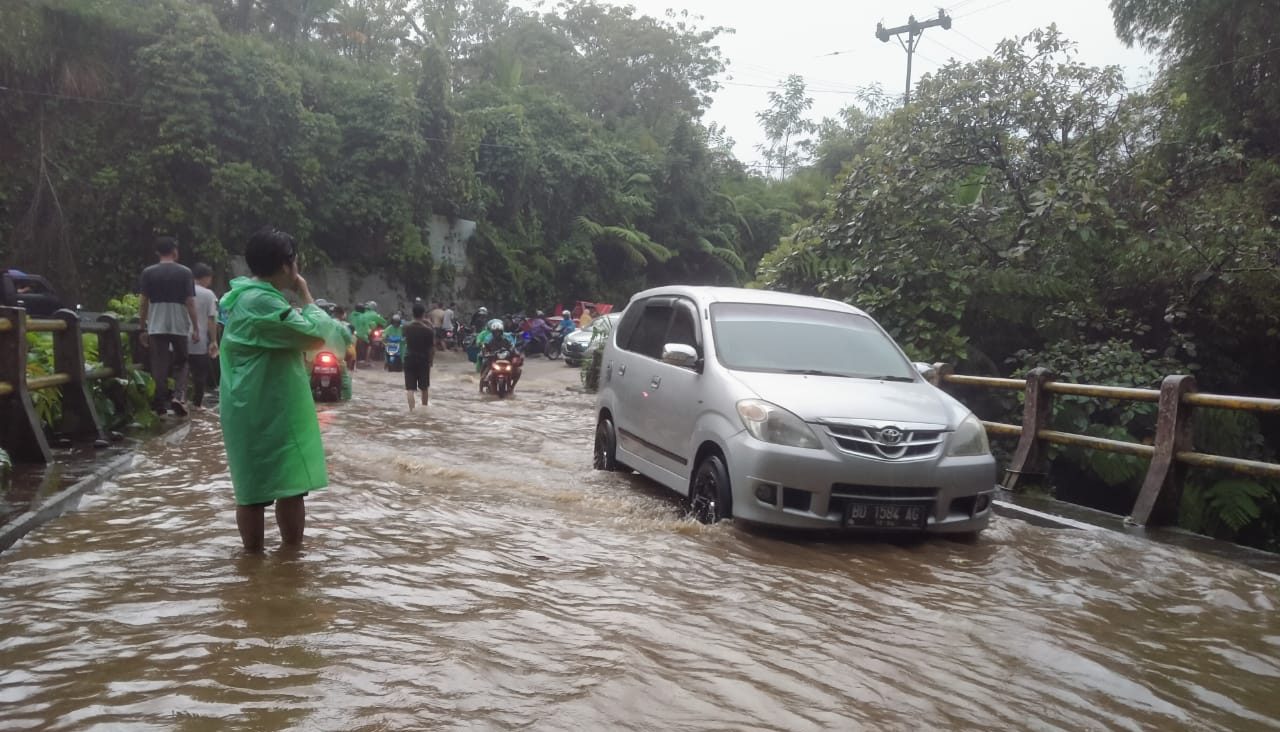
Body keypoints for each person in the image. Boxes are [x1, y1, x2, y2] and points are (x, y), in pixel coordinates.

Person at [218, 226, 348, 552]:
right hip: (268, 407)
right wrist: (306, 295)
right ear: (286, 264)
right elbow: (319, 336)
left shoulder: (247, 297)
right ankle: (288, 565)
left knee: (257, 489)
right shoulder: (263, 302)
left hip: (254, 404)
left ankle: (256, 574)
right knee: (282, 488)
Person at [139, 236, 200, 417]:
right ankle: (178, 396)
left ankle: (159, 405)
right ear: (174, 251)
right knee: (182, 362)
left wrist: (142, 328)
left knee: (159, 365)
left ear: (158, 252)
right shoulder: (185, 272)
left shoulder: (148, 272)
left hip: (156, 324)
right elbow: (189, 302)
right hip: (179, 324)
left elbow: (143, 303)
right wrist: (196, 327)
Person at [187, 263, 220, 409]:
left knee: (180, 371)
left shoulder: (183, 290)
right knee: (199, 374)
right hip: (198, 339)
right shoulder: (208, 294)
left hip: (179, 337)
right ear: (206, 277)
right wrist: (213, 340)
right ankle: (197, 405)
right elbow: (211, 319)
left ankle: (179, 401)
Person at [401, 303, 434, 410]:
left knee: (410, 388)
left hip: (409, 358)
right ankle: (424, 410)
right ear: (423, 314)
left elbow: (404, 338)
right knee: (424, 388)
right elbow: (431, 349)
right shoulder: (428, 330)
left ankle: (411, 411)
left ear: (413, 313)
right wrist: (431, 361)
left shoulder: (406, 327)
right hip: (423, 360)